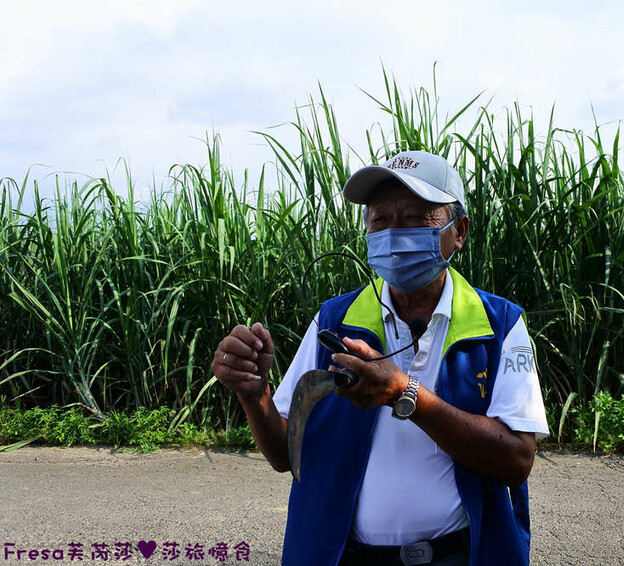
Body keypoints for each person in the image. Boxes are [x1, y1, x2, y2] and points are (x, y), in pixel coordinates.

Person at [211, 150, 549, 566]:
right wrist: (253, 392)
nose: (394, 233)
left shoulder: (499, 325)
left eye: (413, 219)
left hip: (461, 555)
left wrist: (404, 393)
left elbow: (516, 460)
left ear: (458, 231)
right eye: (380, 220)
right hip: (348, 556)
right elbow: (285, 454)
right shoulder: (334, 321)